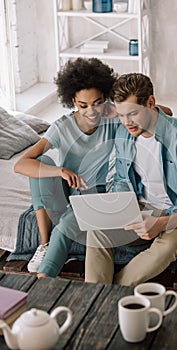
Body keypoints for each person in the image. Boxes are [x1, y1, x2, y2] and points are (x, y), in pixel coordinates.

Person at [85, 73, 177, 286]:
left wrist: (160, 224)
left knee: (165, 248)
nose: (126, 122)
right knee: (96, 228)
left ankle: (107, 295)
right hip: (141, 206)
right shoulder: (124, 134)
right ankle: (96, 294)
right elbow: (121, 179)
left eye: (133, 113)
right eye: (120, 115)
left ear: (151, 102)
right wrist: (117, 207)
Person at [14, 57, 119, 275]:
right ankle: (44, 244)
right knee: (42, 163)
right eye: (83, 105)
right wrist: (59, 171)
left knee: (64, 229)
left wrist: (121, 107)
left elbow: (162, 112)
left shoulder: (111, 117)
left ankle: (45, 275)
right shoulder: (62, 127)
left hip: (92, 192)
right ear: (73, 101)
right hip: (64, 190)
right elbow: (21, 164)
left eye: (97, 103)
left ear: (105, 98)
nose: (91, 111)